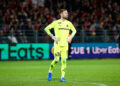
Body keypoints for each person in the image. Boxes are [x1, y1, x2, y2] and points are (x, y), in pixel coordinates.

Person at [44, 9, 76, 82]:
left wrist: (70, 37)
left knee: (64, 61)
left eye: (67, 13)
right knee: (56, 60)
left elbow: (74, 31)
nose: (67, 14)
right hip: (57, 45)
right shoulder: (56, 22)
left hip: (65, 45)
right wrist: (52, 36)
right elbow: (46, 29)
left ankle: (62, 77)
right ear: (61, 14)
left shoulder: (69, 23)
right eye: (65, 13)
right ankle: (50, 72)